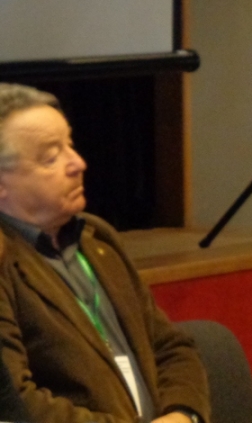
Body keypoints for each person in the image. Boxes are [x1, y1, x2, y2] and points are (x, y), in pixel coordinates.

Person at [0, 83, 210, 423]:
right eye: (51, 158)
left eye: (70, 145)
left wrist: (183, 414)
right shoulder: (4, 261)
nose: (78, 163)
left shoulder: (98, 238)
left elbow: (171, 348)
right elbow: (16, 404)